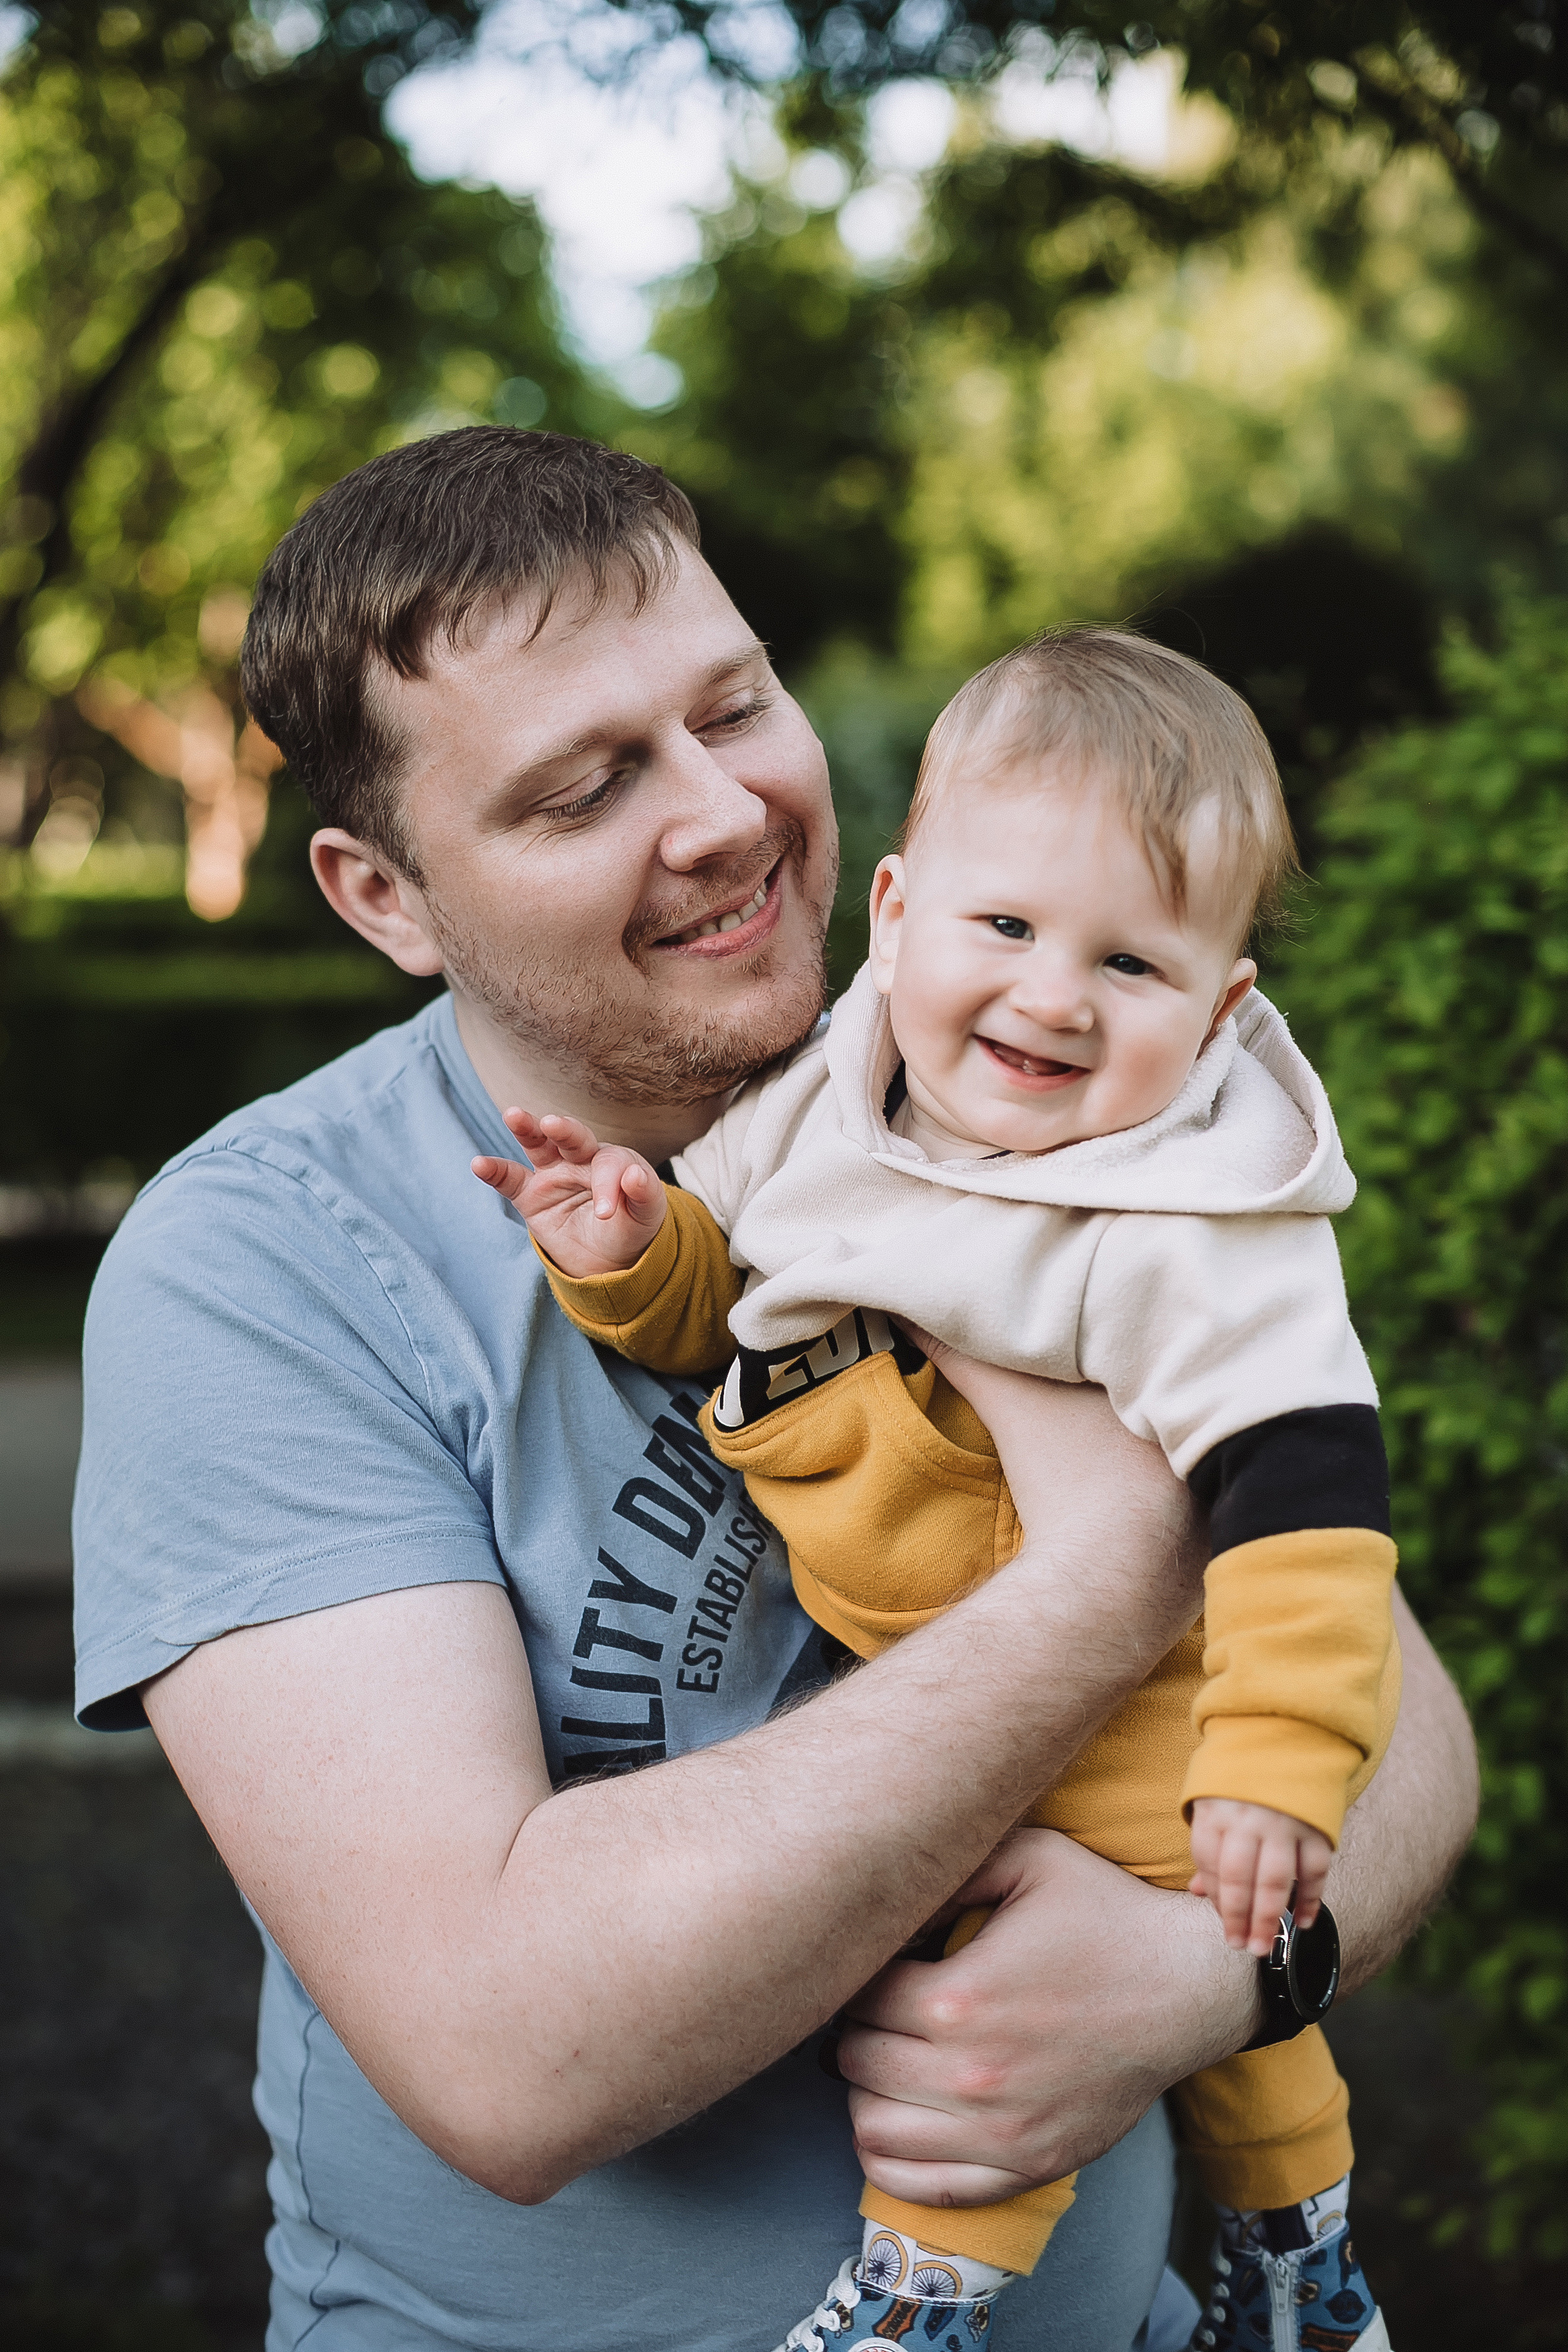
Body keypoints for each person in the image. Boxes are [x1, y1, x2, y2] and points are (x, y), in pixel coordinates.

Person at [72, 429, 1477, 2352]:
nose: (723, 814)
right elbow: (506, 2054)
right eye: (586, 789)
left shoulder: (1035, 1080)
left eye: (737, 708)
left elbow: (1410, 1728)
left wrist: (1206, 1978)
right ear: (384, 894)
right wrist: (1118, 1557)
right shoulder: (270, 1266)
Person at [477, 628, 1398, 2351]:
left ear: (1225, 1008)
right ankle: (1309, 2278)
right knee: (1245, 2026)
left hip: (1151, 1714)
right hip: (968, 1666)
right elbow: (733, 1315)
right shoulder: (834, 1102)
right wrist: (628, 1251)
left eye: (1132, 964)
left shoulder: (1186, 1218)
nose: (1052, 997)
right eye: (1007, 928)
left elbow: (1312, 1497)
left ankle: (928, 2287)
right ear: (895, 912)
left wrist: (1277, 1766)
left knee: (1005, 1984)